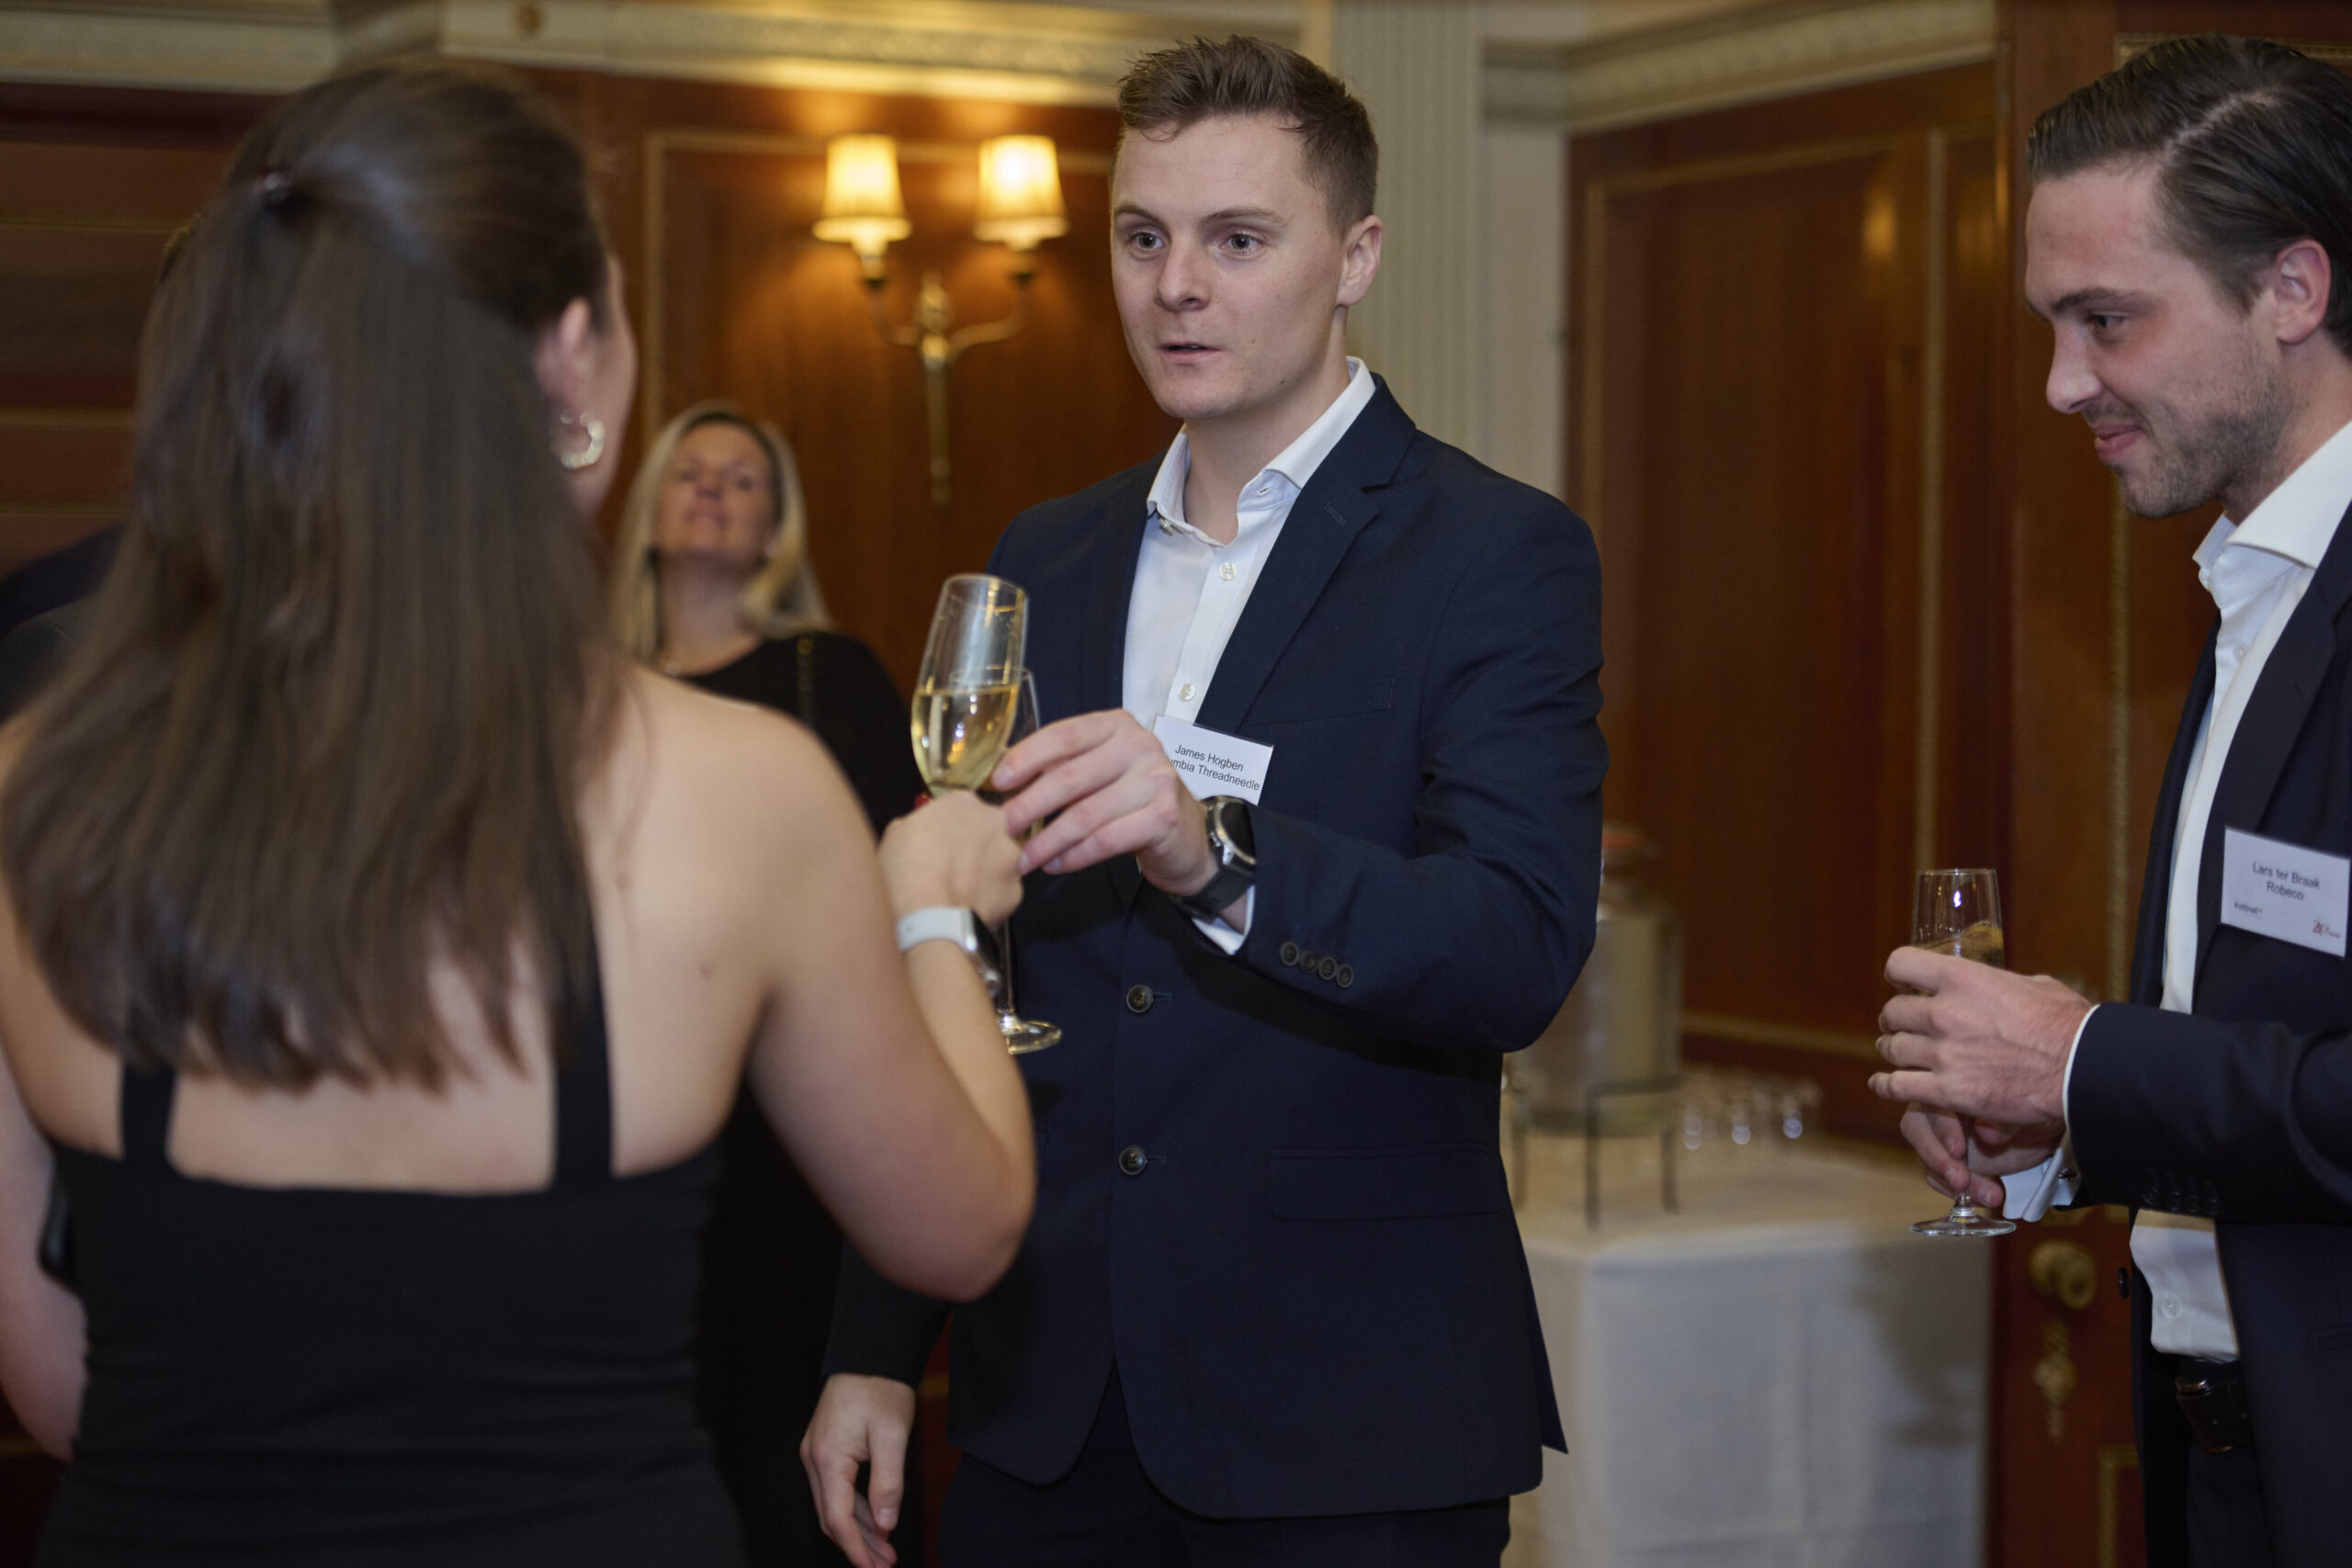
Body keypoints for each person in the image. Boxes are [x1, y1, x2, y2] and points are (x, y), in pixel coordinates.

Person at [0, 62, 1034, 1568]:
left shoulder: (34, 788)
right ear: (572, 359)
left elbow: (59, 1391)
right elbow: (963, 1225)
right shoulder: (737, 789)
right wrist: (935, 905)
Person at [803, 34, 1603, 1568]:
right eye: (1142, 237)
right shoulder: (1046, 552)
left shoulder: (1493, 551)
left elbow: (1513, 948)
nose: (1177, 286)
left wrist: (1214, 850)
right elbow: (950, 953)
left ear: (1355, 256)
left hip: (1347, 1404)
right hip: (1046, 1395)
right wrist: (877, 1341)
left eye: (1238, 240)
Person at [1871, 34, 2352, 1568]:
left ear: (2292, 289)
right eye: (2052, 325)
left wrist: (2083, 1057)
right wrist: (2068, 1125)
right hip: (2228, 1467)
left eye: (2108, 320)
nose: (2064, 384)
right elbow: (2274, 1058)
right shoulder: (2258, 588)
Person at [612, 400, 926, 1568]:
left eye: (742, 479)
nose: (711, 489)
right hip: (627, 1114)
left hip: (783, 1121)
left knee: (776, 1428)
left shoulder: (822, 674)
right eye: (689, 471)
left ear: (776, 528)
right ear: (646, 508)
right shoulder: (586, 689)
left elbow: (890, 891)